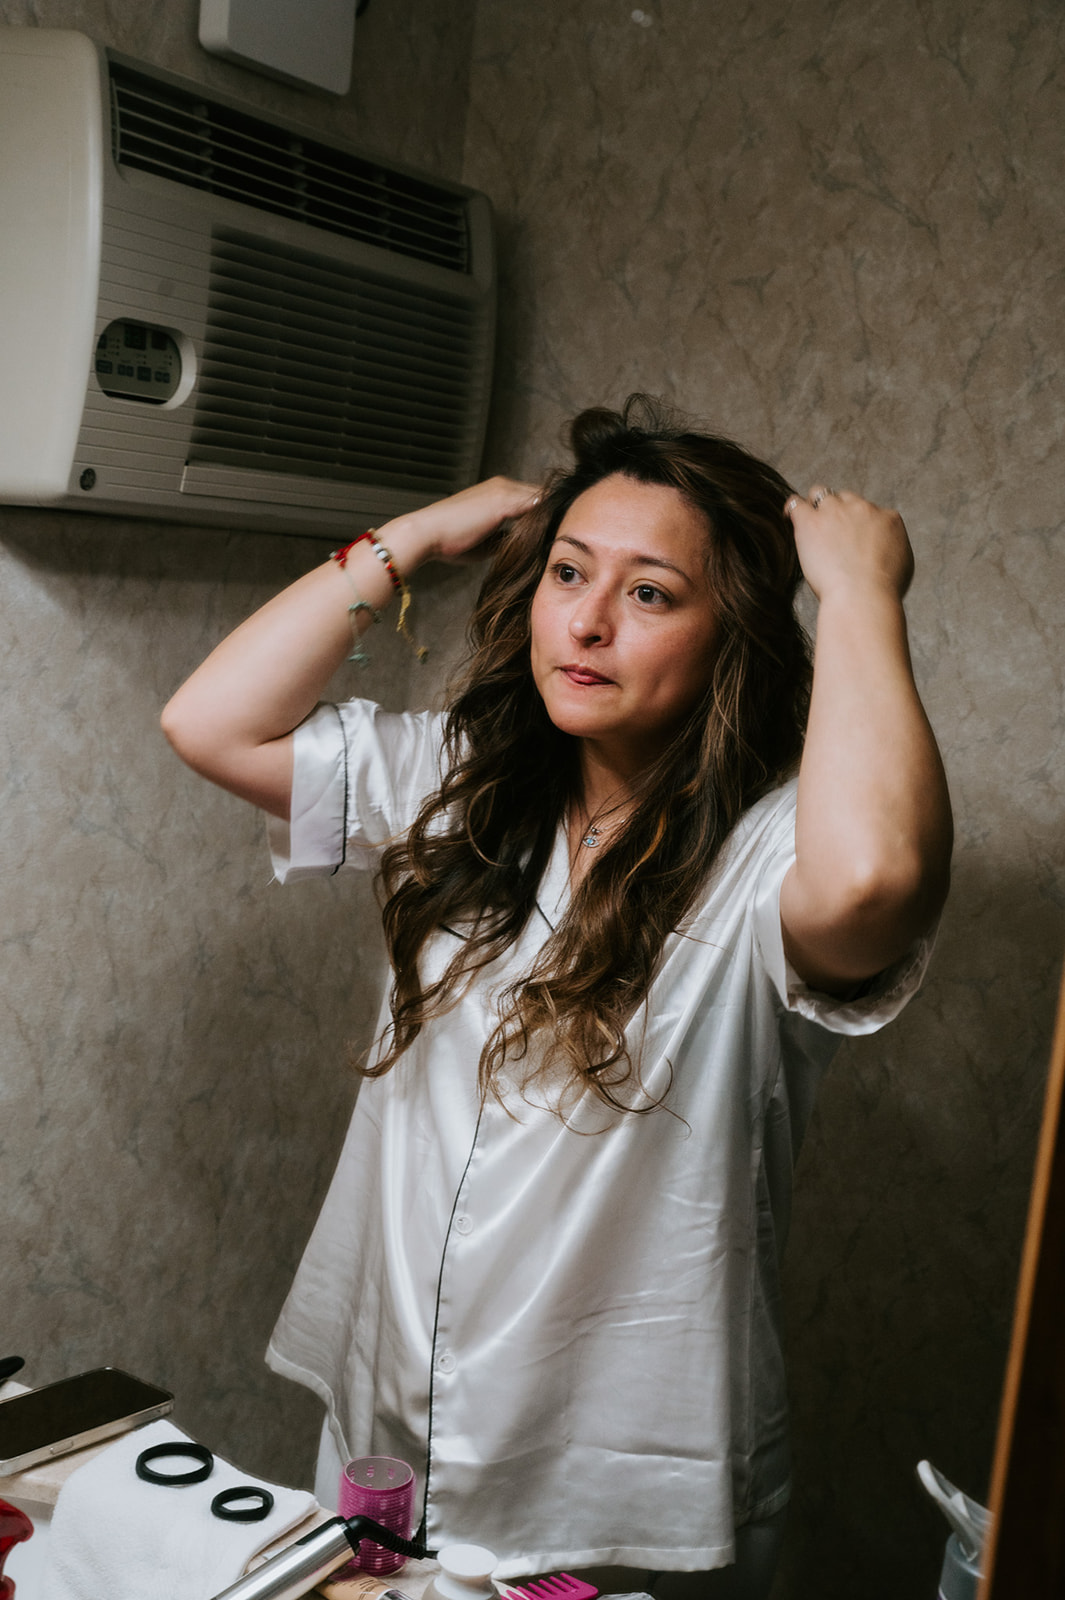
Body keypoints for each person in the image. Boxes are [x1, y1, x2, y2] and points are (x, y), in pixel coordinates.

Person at [161, 397, 952, 1599]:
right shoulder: (463, 786)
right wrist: (415, 538)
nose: (583, 620)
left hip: (612, 1496)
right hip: (391, 1436)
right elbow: (208, 722)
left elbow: (876, 878)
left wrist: (860, 596)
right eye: (568, 573)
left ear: (727, 632)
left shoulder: (767, 859)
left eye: (648, 593)